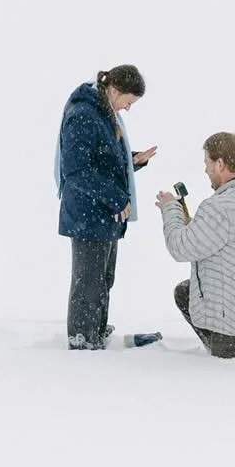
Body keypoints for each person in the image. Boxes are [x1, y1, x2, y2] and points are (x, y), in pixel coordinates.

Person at [56, 65, 156, 350]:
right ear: (114, 90)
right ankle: (83, 337)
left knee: (103, 278)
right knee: (88, 280)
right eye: (128, 101)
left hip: (103, 213)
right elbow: (76, 170)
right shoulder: (83, 115)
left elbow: (103, 161)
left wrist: (132, 161)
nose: (128, 108)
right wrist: (116, 197)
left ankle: (96, 329)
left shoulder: (103, 111)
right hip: (89, 213)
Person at [156, 131, 235, 358]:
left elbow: (180, 248)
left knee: (186, 294)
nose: (205, 170)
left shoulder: (218, 207)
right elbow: (225, 238)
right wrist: (194, 225)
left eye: (207, 163)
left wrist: (170, 208)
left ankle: (225, 350)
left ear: (220, 164)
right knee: (186, 292)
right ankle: (230, 344)